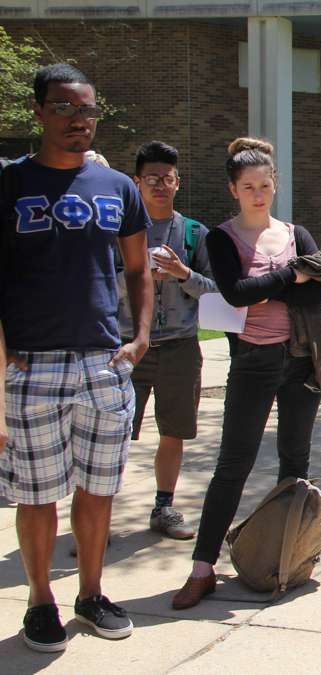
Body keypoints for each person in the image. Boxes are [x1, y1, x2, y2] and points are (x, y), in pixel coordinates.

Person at [0, 63, 152, 651]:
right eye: (63, 108)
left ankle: (90, 594)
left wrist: (138, 339)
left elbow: (138, 270)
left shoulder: (118, 188)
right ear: (38, 112)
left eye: (86, 110)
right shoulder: (10, 185)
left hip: (103, 363)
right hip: (30, 363)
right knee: (38, 494)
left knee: (98, 488)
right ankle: (41, 602)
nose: (77, 120)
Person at [171, 137, 321, 609]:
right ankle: (203, 568)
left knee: (294, 465)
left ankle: (288, 558)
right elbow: (237, 293)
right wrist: (290, 278)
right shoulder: (221, 238)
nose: (258, 194)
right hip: (253, 361)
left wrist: (274, 287)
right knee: (233, 465)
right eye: (249, 187)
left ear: (275, 185)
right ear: (234, 190)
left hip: (301, 358)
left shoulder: (295, 233)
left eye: (265, 185)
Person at [118, 140, 217, 540]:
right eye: (152, 178)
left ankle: (164, 507)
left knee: (174, 431)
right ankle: (97, 516)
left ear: (178, 182)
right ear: (137, 182)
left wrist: (181, 273)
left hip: (179, 347)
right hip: (126, 347)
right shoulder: (121, 231)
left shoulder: (194, 233)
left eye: (168, 178)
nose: (160, 185)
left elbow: (216, 290)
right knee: (113, 435)